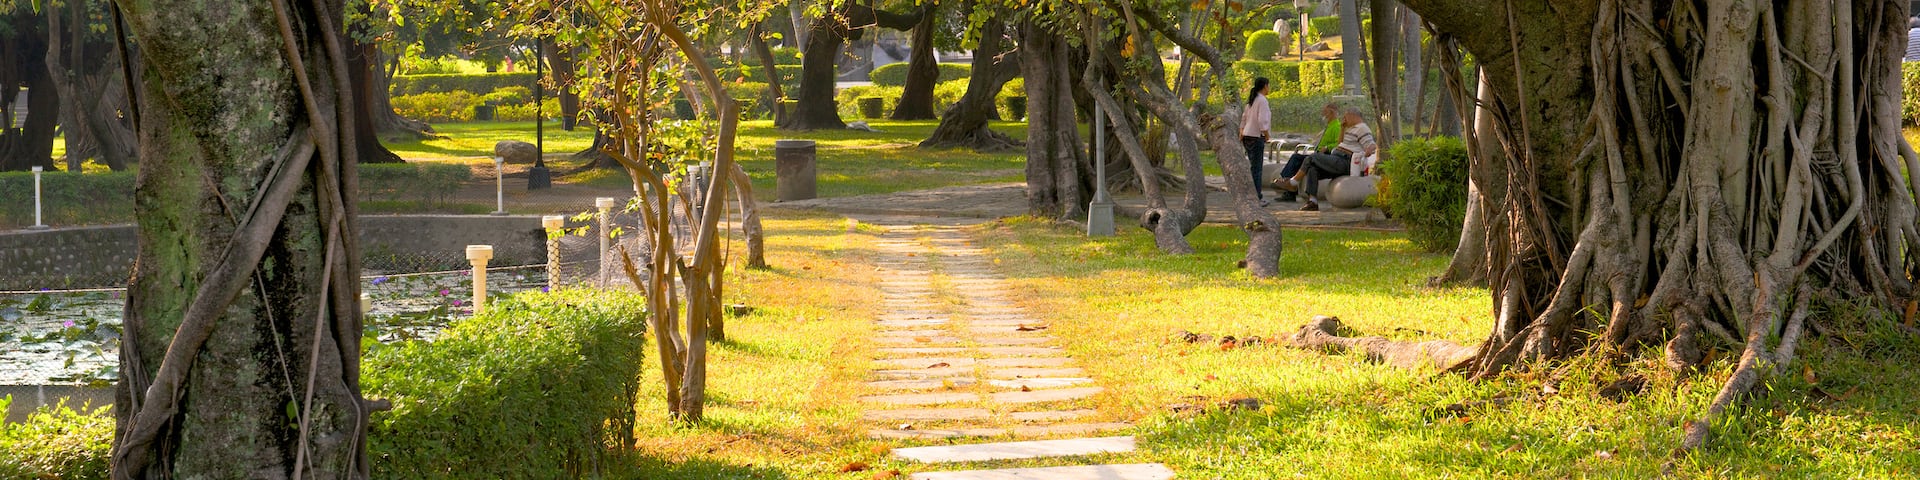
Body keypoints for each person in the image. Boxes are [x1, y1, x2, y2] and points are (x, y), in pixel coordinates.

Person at [1298, 109, 1376, 212]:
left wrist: (1368, 152)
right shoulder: (1349, 128)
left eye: (1345, 117)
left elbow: (1371, 144)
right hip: (1336, 158)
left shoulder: (1362, 128)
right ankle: (1313, 201)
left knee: (1313, 157)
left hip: (1345, 161)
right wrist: (1343, 128)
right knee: (1312, 168)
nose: (1344, 120)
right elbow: (1340, 143)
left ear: (1353, 116)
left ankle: (1293, 181)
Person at [1274, 103, 1342, 202]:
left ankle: (1288, 184)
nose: (1323, 114)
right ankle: (1288, 186)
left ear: (1331, 113)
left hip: (1325, 156)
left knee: (1297, 159)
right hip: (1317, 154)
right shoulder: (1329, 126)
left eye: (1325, 112)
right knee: (1296, 158)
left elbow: (1338, 144)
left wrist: (1327, 147)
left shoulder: (1337, 127)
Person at [1241, 77, 1273, 206]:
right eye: (1268, 85)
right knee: (1257, 169)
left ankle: (1251, 195)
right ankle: (1257, 197)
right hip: (1256, 136)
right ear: (1265, 86)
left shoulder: (1252, 100)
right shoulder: (1262, 101)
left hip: (1247, 135)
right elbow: (1262, 121)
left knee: (1253, 167)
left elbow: (1244, 118)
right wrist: (1266, 134)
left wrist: (1241, 132)